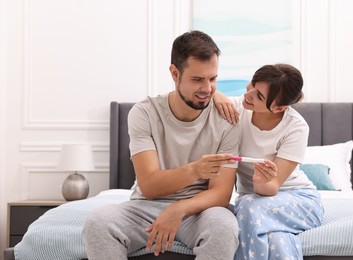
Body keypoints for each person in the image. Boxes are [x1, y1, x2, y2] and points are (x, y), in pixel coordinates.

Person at [82, 30, 240, 260]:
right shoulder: (145, 113)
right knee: (98, 222)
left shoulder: (227, 118)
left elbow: (221, 194)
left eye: (213, 79)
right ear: (175, 74)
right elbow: (150, 186)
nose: (207, 88)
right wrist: (196, 169)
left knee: (224, 226)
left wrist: (179, 209)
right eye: (197, 79)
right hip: (146, 208)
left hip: (199, 211)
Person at [214, 64, 324, 260]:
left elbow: (271, 187)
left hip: (299, 202)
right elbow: (199, 98)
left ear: (279, 107)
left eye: (259, 96)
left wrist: (260, 181)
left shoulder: (296, 127)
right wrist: (216, 94)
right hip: (257, 204)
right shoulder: (237, 109)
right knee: (275, 238)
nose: (249, 95)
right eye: (252, 85)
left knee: (247, 206)